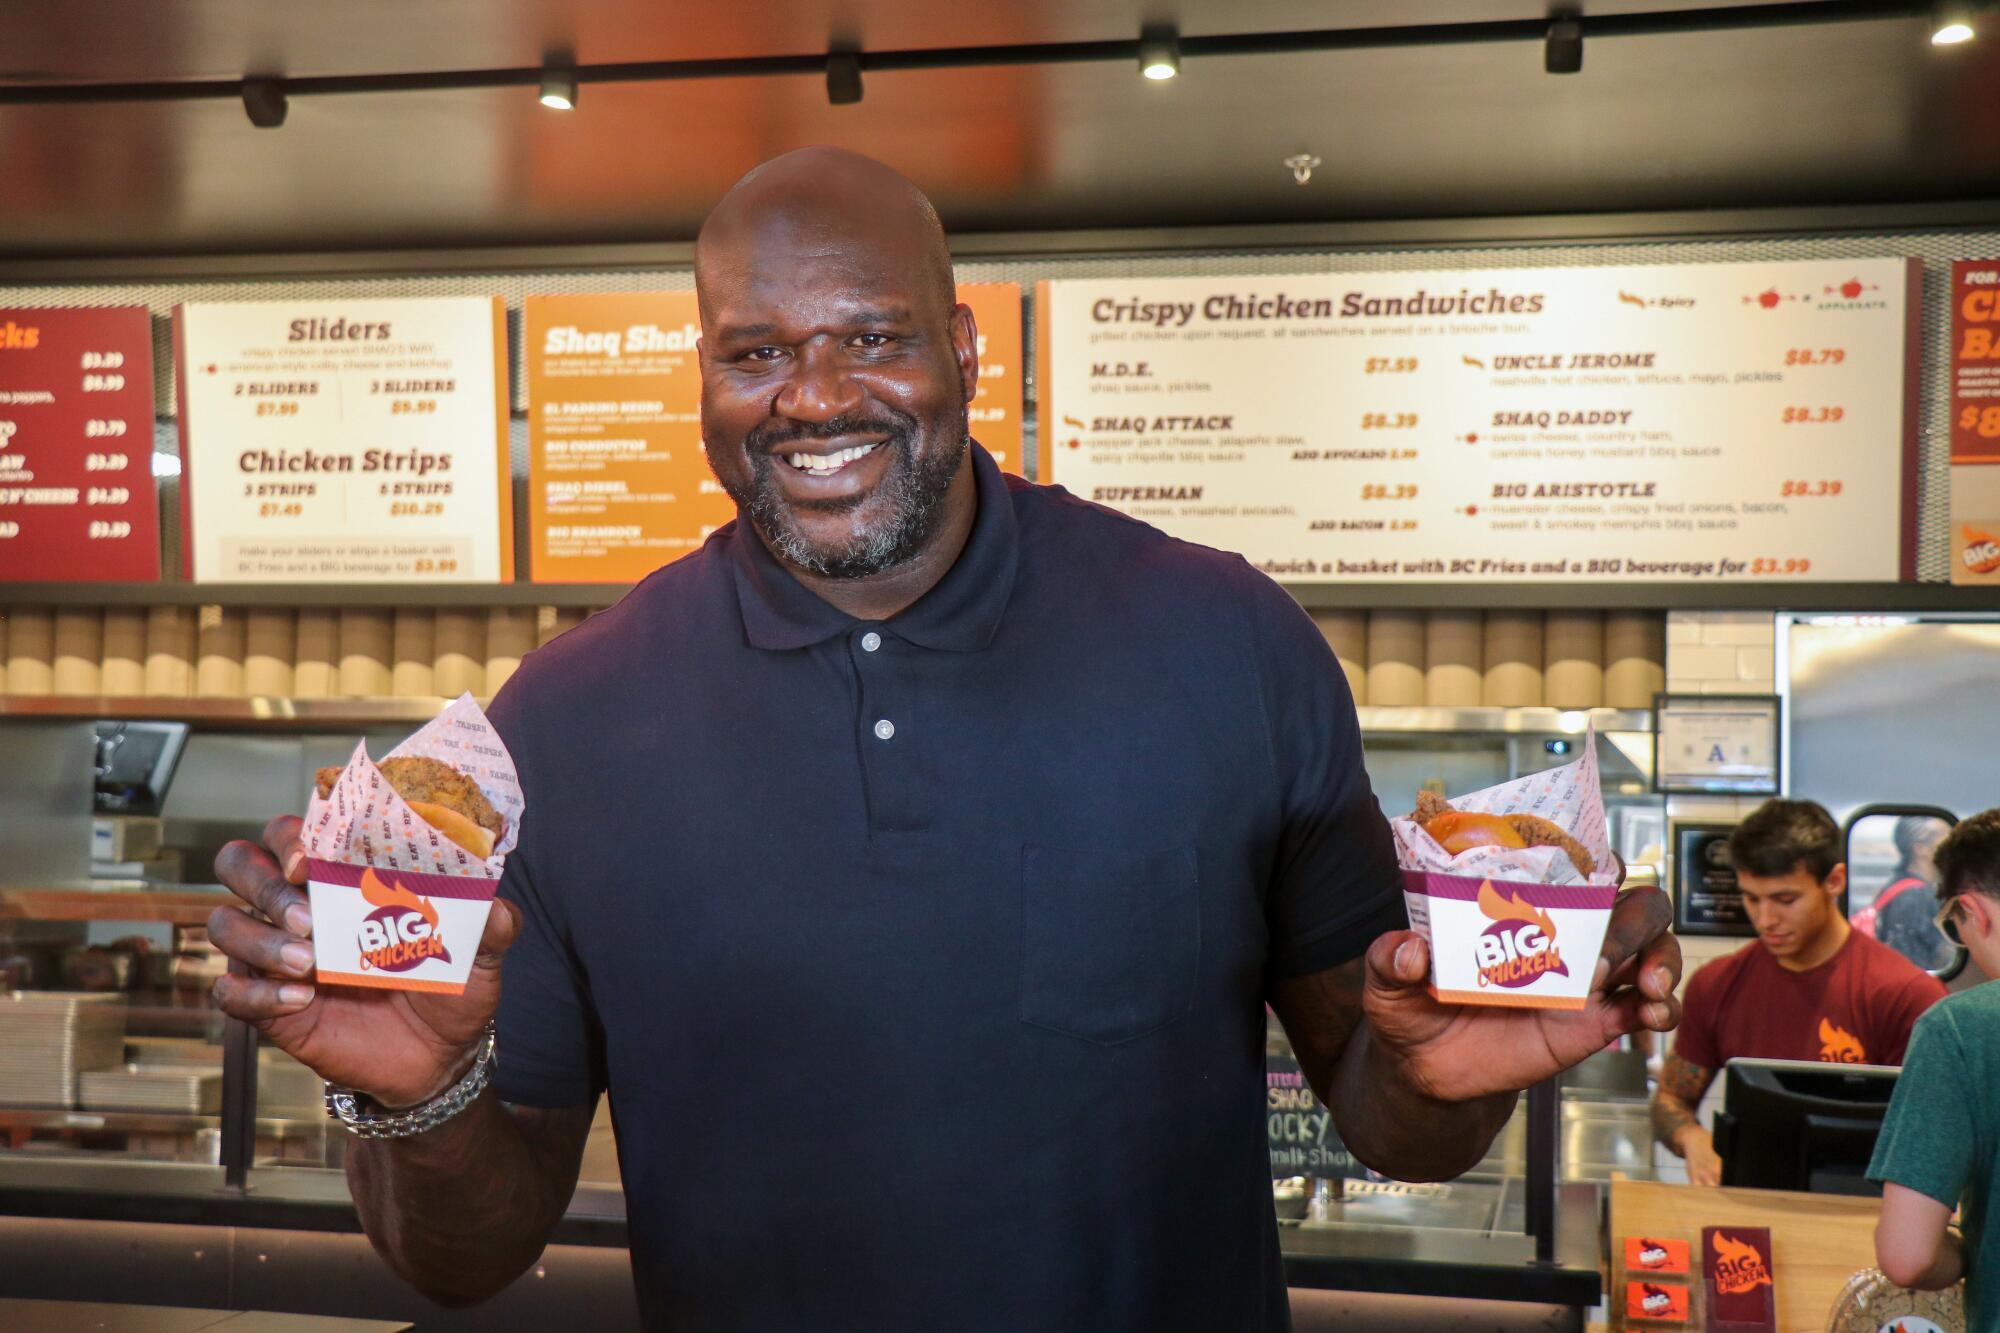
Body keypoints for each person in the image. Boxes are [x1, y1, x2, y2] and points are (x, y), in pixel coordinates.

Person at [205, 147, 1681, 1331]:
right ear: (703, 380)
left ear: (964, 346)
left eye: (873, 336)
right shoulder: (568, 720)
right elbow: (463, 1258)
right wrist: (420, 1100)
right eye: (755, 350)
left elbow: (1387, 1107)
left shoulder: (1221, 640)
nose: (817, 396)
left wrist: (1437, 1071)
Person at [1653, 798, 1945, 1188]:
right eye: (1752, 898)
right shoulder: (1717, 985)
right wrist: (1692, 1138)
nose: (1766, 919)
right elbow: (1670, 1099)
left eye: (1785, 900)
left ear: (1835, 882)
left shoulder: (1905, 995)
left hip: (1866, 1218)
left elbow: (1934, 1138)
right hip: (1750, 1215)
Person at [1871, 809, 2000, 1327]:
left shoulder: (1961, 1029)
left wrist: (1971, 1249)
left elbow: (1908, 1255)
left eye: (1954, 925)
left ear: (1973, 911)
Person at [1855, 816, 1953, 972]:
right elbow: (1914, 965)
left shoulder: (1896, 886)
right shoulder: (1914, 896)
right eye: (1948, 840)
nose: (1955, 847)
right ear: (1920, 848)